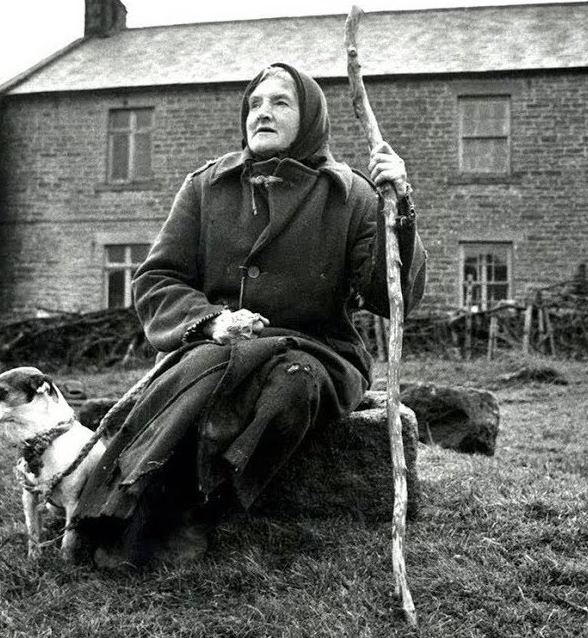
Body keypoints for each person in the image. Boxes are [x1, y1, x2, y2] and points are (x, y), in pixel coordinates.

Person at [75, 62, 426, 566]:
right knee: (202, 380)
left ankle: (203, 507)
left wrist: (400, 208)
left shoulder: (349, 194)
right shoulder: (206, 187)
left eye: (280, 103)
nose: (263, 112)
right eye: (255, 103)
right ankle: (122, 508)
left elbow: (392, 296)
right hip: (218, 345)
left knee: (291, 386)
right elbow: (156, 279)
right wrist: (210, 320)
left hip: (319, 351)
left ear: (308, 120)